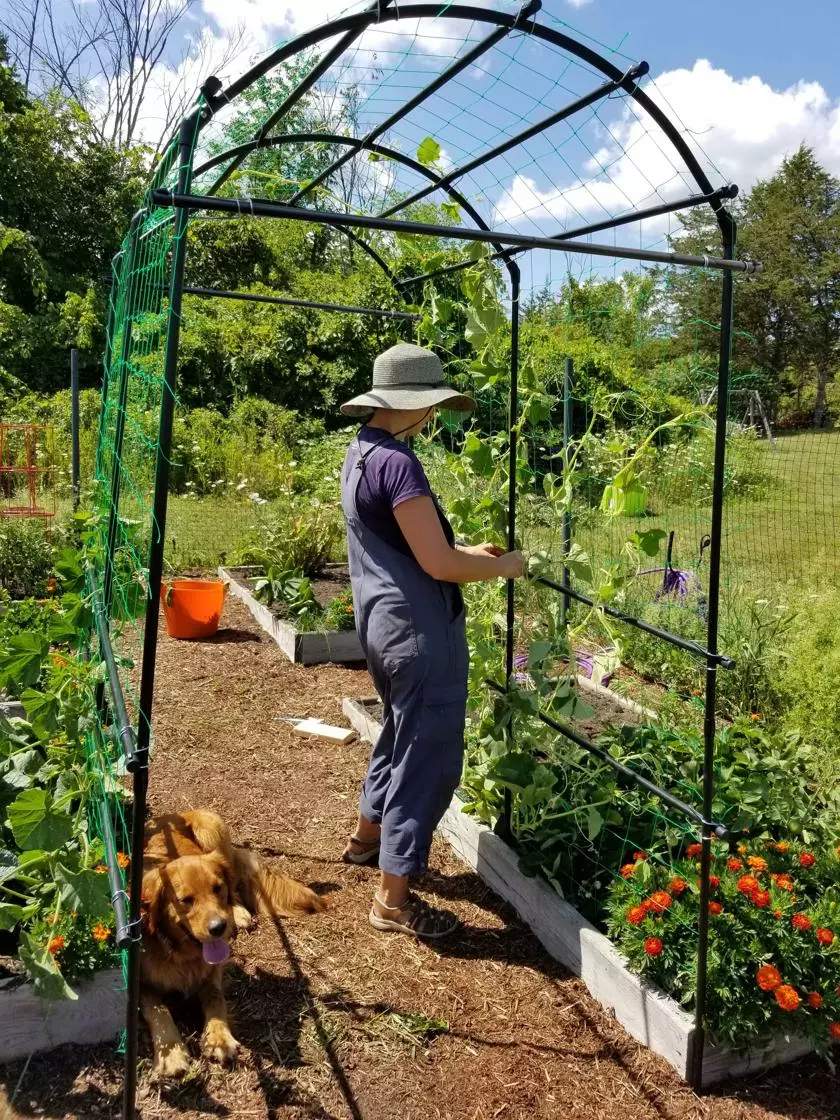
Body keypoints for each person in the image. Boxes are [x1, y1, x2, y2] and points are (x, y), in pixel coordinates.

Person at [338, 342, 525, 939]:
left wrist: (470, 553)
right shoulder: (401, 463)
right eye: (433, 408)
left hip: (381, 625)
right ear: (417, 405)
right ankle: (392, 900)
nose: (434, 418)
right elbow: (439, 565)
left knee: (399, 731)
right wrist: (504, 566)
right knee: (429, 756)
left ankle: (367, 838)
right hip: (420, 634)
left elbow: (417, 551)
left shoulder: (361, 454)